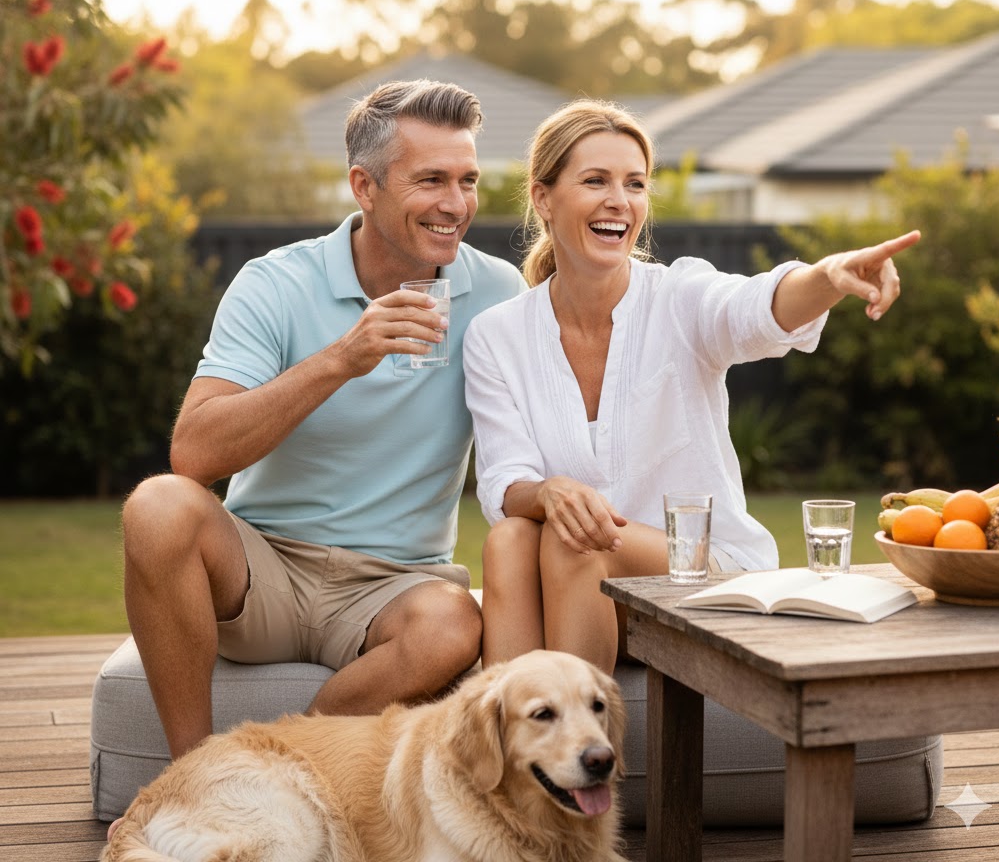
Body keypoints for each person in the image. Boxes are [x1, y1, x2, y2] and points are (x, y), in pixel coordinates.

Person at [120, 79, 527, 762]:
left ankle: (274, 762)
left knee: (452, 625)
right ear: (364, 188)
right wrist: (341, 358)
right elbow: (193, 452)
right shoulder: (275, 283)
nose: (456, 205)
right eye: (431, 180)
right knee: (158, 506)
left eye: (468, 180)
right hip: (264, 568)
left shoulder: (495, 291)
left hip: (396, 583)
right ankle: (192, 771)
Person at [463, 98, 920, 673]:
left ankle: (583, 754)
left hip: (704, 573)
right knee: (511, 540)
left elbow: (754, 308)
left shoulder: (679, 298)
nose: (619, 201)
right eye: (595, 180)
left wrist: (827, 277)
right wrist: (549, 491)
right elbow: (505, 480)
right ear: (543, 198)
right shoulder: (496, 334)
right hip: (583, 584)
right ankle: (515, 754)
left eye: (635, 183)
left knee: (572, 540)